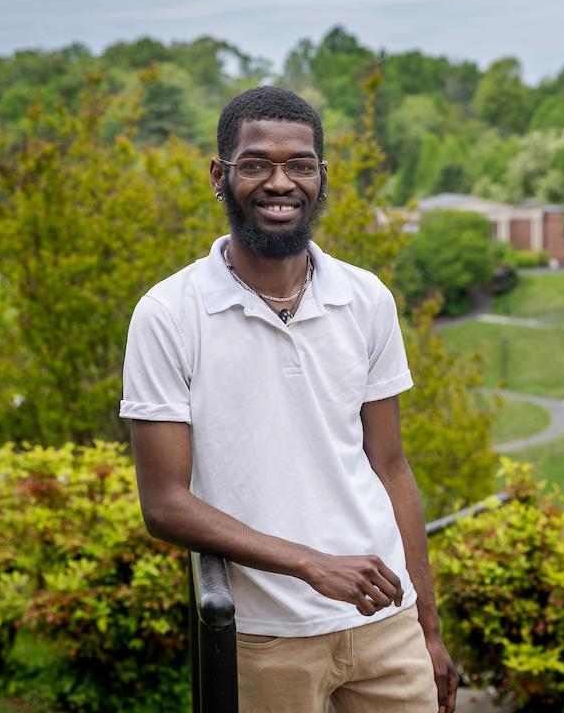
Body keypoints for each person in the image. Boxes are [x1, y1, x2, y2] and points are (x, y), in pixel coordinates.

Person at [120, 86, 458, 712]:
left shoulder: (366, 299)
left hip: (387, 623)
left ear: (321, 177)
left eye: (300, 164)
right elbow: (164, 504)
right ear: (220, 176)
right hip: (264, 638)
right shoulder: (167, 314)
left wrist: (428, 631)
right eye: (257, 164)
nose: (281, 182)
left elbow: (390, 467)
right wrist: (311, 564)